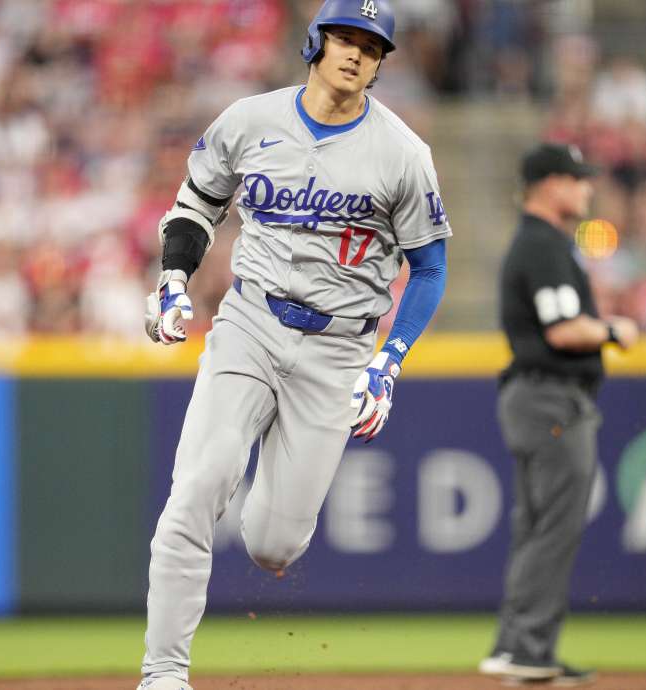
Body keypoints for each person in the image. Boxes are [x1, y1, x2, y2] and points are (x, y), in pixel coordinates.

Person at [137, 2, 451, 689]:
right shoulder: (250, 120)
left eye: (372, 46)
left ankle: (267, 508)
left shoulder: (402, 153)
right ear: (316, 41)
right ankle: (162, 673)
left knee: (274, 546)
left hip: (339, 348)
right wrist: (173, 277)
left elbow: (429, 268)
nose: (356, 53)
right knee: (197, 487)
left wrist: (389, 360)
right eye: (345, 37)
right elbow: (196, 203)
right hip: (250, 322)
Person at [479, 143, 638, 687]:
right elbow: (564, 330)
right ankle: (527, 648)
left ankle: (517, 647)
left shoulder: (539, 242)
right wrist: (613, 329)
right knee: (553, 529)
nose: (586, 187)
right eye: (577, 178)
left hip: (535, 397)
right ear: (550, 184)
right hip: (551, 399)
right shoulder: (543, 244)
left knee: (536, 527)